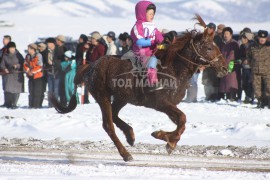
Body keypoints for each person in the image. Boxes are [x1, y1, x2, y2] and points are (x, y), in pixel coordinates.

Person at [130, 0, 164, 91]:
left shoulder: (152, 26)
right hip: (141, 51)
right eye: (150, 14)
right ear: (142, 13)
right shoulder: (138, 26)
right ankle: (152, 83)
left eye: (153, 14)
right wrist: (152, 42)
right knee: (152, 62)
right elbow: (139, 41)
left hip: (153, 50)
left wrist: (163, 42)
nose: (152, 16)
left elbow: (158, 35)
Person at [247, 30, 270, 109]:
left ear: (266, 38)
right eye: (261, 37)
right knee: (257, 89)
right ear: (258, 37)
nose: (262, 39)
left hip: (268, 71)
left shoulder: (269, 46)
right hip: (256, 71)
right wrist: (252, 65)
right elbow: (248, 57)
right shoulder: (252, 46)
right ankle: (260, 102)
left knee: (269, 87)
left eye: (264, 38)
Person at [0, 41, 24, 109]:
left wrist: (17, 66)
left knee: (16, 90)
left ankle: (14, 103)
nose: (12, 49)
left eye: (13, 48)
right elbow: (2, 64)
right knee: (8, 89)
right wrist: (4, 69)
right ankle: (8, 103)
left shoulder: (18, 55)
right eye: (11, 48)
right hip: (8, 75)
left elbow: (23, 63)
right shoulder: (5, 56)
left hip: (17, 74)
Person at [219, 27, 240, 101]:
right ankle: (227, 96)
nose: (225, 35)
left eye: (227, 34)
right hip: (224, 66)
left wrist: (228, 64)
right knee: (225, 81)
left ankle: (232, 97)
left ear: (231, 34)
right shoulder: (224, 44)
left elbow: (234, 55)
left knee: (232, 82)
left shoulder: (234, 43)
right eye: (224, 34)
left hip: (232, 65)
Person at [202, 23, 220, 101]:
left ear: (213, 29)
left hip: (214, 63)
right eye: (207, 28)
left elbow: (219, 51)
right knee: (206, 80)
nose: (208, 29)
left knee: (214, 80)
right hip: (206, 62)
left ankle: (214, 96)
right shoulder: (204, 38)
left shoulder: (217, 39)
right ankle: (208, 96)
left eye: (209, 28)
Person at [23, 43, 43, 108]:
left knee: (37, 91)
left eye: (29, 49)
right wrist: (28, 71)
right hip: (30, 76)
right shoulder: (27, 56)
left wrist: (32, 71)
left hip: (38, 76)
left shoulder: (38, 55)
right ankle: (31, 105)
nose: (28, 50)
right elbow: (25, 64)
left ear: (33, 49)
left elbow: (40, 66)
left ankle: (36, 105)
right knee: (31, 91)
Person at [239, 28, 254, 104]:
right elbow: (240, 56)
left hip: (252, 67)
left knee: (250, 82)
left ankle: (249, 97)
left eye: (244, 38)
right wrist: (243, 59)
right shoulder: (242, 46)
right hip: (244, 67)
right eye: (242, 38)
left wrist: (248, 60)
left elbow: (255, 56)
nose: (243, 39)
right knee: (244, 83)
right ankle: (248, 96)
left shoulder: (252, 45)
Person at [45, 37, 61, 107]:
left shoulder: (58, 50)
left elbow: (61, 61)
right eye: (47, 44)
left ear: (53, 44)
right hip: (49, 72)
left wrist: (54, 63)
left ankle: (56, 104)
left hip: (57, 72)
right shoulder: (46, 52)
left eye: (49, 43)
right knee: (50, 89)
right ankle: (50, 104)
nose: (48, 45)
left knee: (56, 90)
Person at [56, 35, 68, 106]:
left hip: (63, 70)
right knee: (60, 87)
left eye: (57, 40)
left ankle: (64, 102)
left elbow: (66, 59)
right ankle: (61, 101)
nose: (56, 41)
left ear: (60, 40)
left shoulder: (64, 48)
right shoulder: (57, 48)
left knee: (63, 87)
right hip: (59, 70)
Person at [0, 35, 12, 107]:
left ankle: (10, 102)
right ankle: (6, 102)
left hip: (9, 71)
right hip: (2, 71)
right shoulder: (2, 50)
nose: (3, 41)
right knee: (4, 87)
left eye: (5, 39)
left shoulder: (10, 49)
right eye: (3, 39)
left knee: (9, 87)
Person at [38, 43, 48, 107]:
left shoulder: (45, 53)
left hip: (44, 74)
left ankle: (40, 103)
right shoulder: (38, 54)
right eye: (39, 47)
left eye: (42, 47)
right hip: (40, 73)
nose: (40, 48)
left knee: (42, 89)